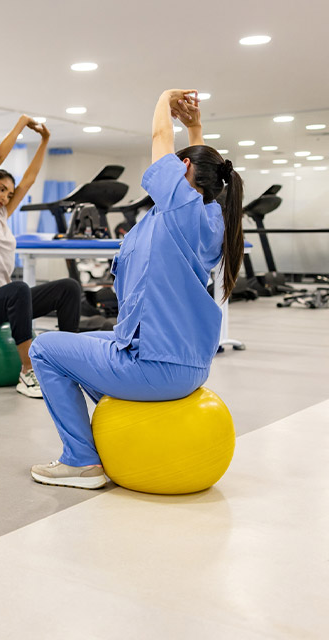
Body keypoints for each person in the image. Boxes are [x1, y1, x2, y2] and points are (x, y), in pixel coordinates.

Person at [28, 89, 244, 489]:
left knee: (44, 349)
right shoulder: (212, 218)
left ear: (181, 169)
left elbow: (162, 141)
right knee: (94, 340)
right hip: (188, 364)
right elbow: (200, 172)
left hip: (156, 367)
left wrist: (164, 100)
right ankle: (116, 437)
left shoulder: (179, 208)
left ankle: (81, 461)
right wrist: (195, 128)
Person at [0, 115, 82, 398]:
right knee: (18, 288)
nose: (5, 197)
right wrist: (22, 124)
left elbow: (30, 179)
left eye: (9, 194)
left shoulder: (2, 214)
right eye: (1, 189)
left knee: (68, 288)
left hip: (3, 302)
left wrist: (45, 140)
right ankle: (27, 371)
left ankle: (70, 363)